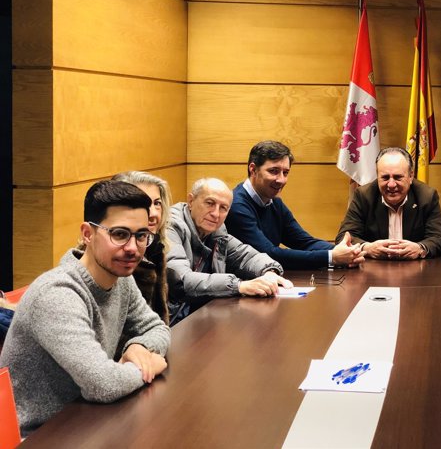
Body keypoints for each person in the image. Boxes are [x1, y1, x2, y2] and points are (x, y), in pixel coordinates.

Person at [0, 181, 171, 436]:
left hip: (90, 421)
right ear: (87, 234)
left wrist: (137, 347)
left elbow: (157, 327)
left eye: (141, 235)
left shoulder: (121, 279)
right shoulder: (57, 294)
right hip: (39, 435)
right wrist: (148, 366)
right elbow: (103, 384)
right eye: (120, 234)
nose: (133, 248)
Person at [166, 177, 292, 322]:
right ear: (191, 201)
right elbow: (182, 280)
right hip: (170, 322)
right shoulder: (171, 226)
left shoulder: (216, 231)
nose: (215, 214)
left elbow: (245, 255)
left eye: (223, 208)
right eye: (209, 203)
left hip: (201, 317)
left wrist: (270, 273)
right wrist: (239, 286)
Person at [226, 140, 364, 269]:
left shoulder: (275, 203)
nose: (281, 180)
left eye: (285, 173)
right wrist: (331, 257)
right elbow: (268, 254)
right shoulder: (236, 205)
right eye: (273, 171)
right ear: (253, 169)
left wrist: (346, 250)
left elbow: (304, 242)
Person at [335, 147, 441, 259]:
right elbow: (344, 237)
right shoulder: (364, 196)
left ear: (410, 176)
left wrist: (420, 248)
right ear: (377, 176)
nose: (391, 184)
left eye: (398, 177)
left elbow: (439, 238)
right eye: (385, 177)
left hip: (416, 271)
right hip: (373, 271)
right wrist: (367, 248)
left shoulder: (426, 196)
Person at [111, 171, 172, 324]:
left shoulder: (155, 249)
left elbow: (156, 325)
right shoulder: (113, 258)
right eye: (143, 203)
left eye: (157, 203)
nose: (153, 213)